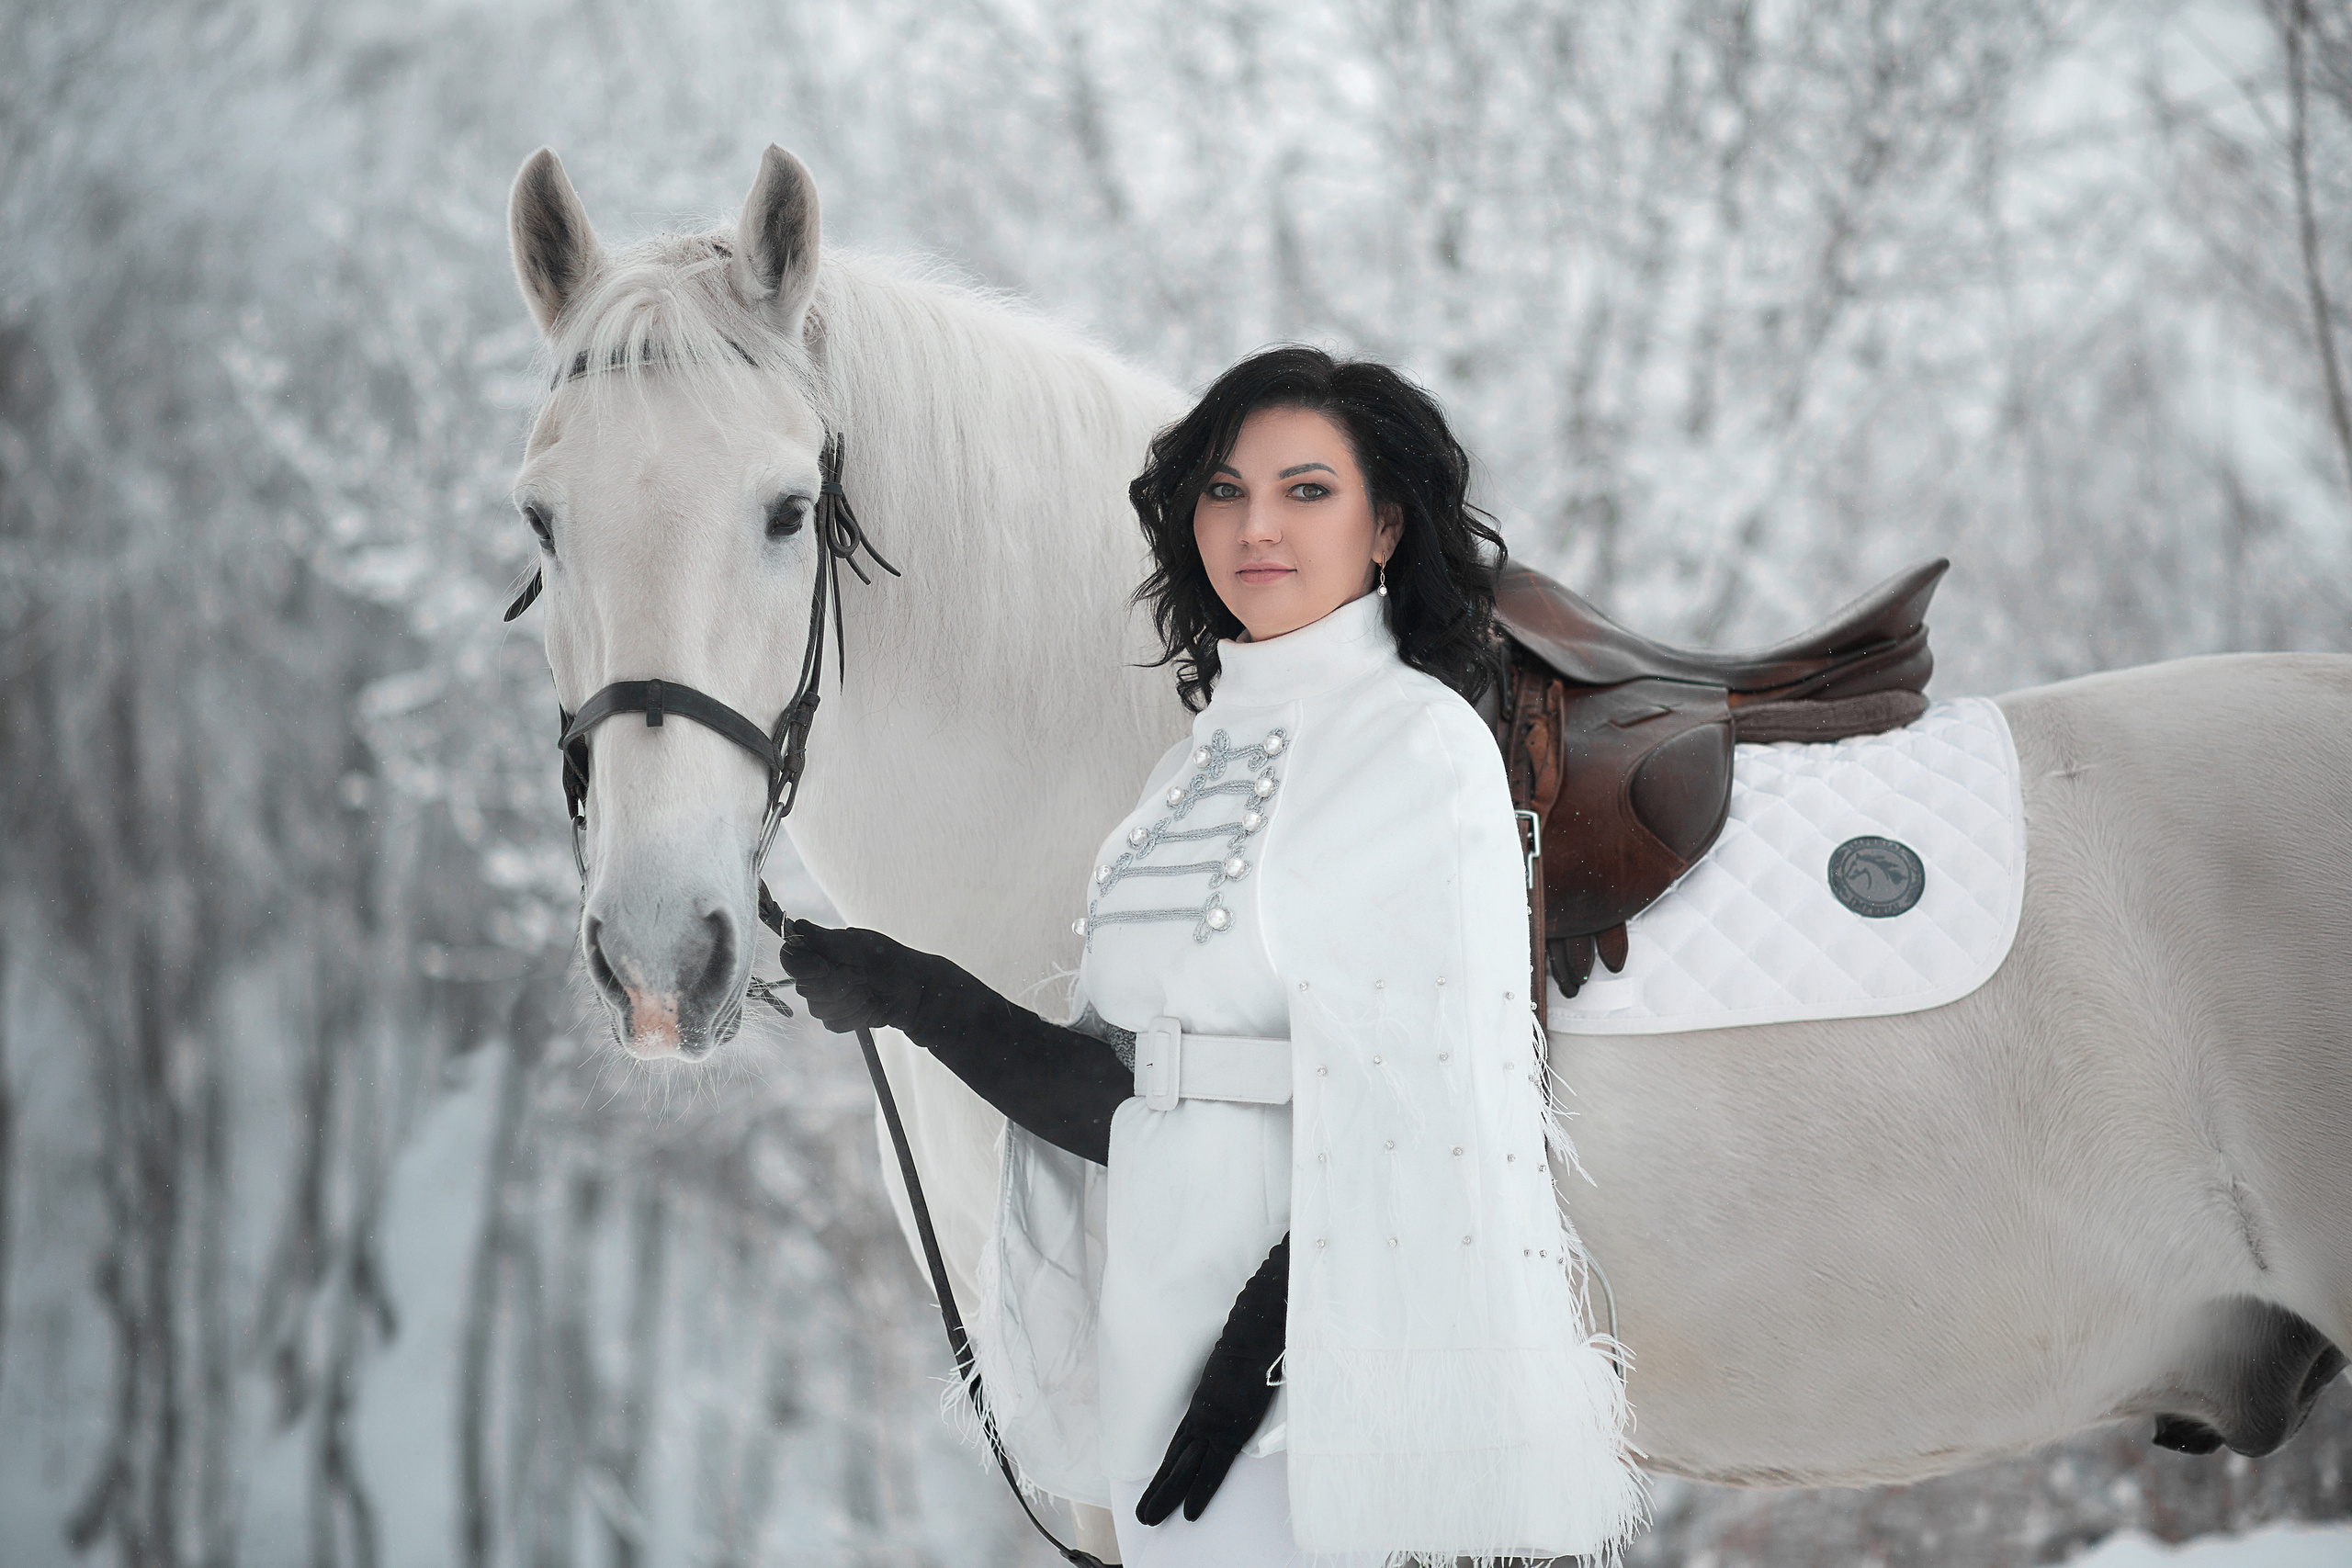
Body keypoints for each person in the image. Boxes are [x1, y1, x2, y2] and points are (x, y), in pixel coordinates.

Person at [781, 346, 1641, 1565]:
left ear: (1387, 525)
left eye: (1307, 491)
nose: (1257, 526)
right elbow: (1133, 1095)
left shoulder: (1417, 744)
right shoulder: (1182, 779)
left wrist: (1266, 1355)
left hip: (1326, 1377)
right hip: (1160, 1340)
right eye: (1226, 491)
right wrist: (909, 992)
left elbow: (1432, 1109)